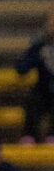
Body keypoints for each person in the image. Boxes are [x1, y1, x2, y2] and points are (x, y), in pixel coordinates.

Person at [19, 9, 54, 143]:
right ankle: (29, 135)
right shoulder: (39, 45)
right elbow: (21, 69)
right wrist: (37, 57)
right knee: (32, 99)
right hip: (43, 91)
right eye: (51, 25)